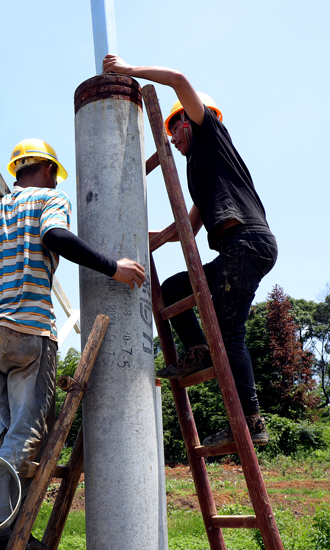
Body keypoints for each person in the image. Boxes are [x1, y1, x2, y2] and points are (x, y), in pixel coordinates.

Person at [0, 138, 145, 549]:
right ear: (48, 170)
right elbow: (54, 235)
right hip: (28, 331)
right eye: (54, 176)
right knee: (27, 434)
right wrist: (113, 267)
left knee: (16, 434)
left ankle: (12, 530)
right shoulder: (51, 199)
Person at [102, 55, 278, 448]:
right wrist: (144, 236)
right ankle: (198, 349)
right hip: (237, 250)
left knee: (230, 333)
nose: (173, 139)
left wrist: (128, 71)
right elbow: (187, 229)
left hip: (246, 244)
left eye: (174, 129)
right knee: (176, 288)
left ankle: (250, 422)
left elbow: (179, 78)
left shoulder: (211, 135)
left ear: (189, 119)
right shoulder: (202, 172)